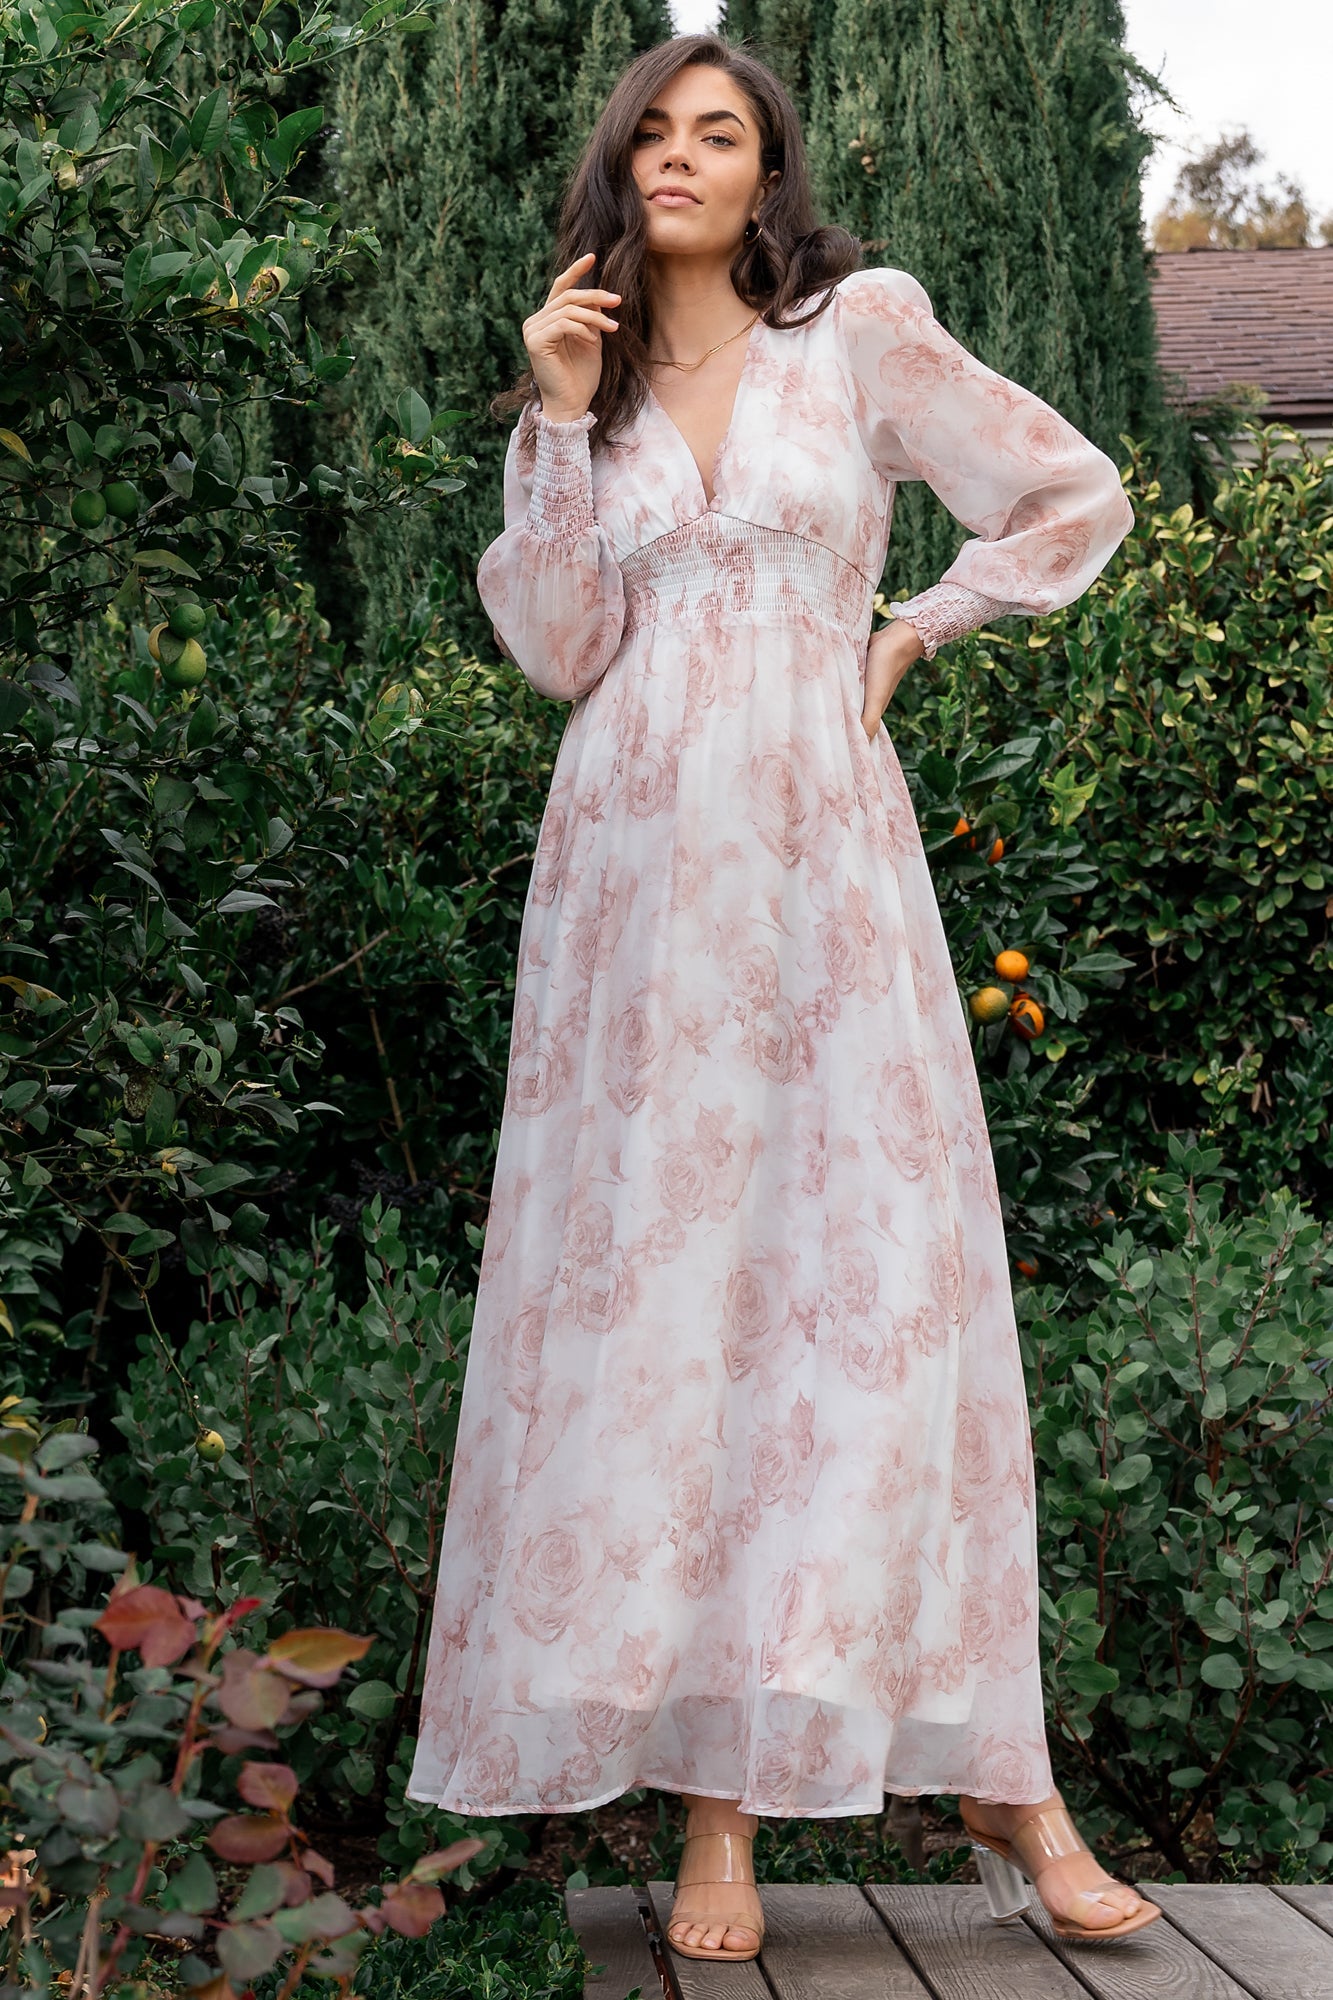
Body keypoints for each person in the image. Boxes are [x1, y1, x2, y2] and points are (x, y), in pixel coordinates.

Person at [407, 29, 1161, 1961]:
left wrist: (913, 625)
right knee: (667, 1315)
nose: (678, 157)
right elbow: (564, 651)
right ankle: (712, 1812)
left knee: (877, 1302)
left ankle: (1010, 1782)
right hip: (636, 900)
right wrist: (560, 417)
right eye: (651, 131)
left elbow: (1066, 491)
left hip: (825, 878)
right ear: (616, 169)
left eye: (717, 132)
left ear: (767, 173)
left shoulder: (861, 330)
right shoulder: (574, 393)